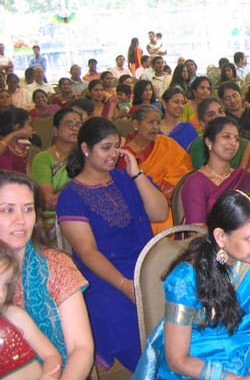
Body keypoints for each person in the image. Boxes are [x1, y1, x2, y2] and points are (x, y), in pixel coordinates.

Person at [134, 190, 250, 379]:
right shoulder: (184, 279)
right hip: (198, 366)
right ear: (221, 236)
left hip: (248, 352)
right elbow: (177, 361)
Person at [57, 117, 168, 372]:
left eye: (117, 147)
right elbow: (87, 251)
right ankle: (152, 370)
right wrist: (124, 285)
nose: (113, 154)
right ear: (85, 148)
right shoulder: (71, 196)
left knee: (183, 301)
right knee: (120, 315)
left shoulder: (124, 179)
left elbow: (160, 212)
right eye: (106, 148)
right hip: (103, 275)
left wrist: (136, 173)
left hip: (145, 263)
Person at [1, 170, 94, 377]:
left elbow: (81, 348)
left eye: (28, 209)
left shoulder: (56, 266)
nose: (21, 220)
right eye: (8, 210)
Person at [120, 105, 193, 233]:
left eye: (158, 123)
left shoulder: (167, 144)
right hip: (134, 209)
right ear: (136, 124)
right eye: (150, 122)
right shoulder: (123, 154)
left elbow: (183, 172)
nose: (155, 127)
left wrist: (163, 195)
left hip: (166, 205)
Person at [0, 239, 63, 380]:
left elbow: (51, 356)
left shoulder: (13, 315)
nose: (2, 294)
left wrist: (49, 376)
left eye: (5, 284)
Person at [182, 117, 250, 226]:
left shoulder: (244, 177)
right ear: (209, 142)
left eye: (237, 139)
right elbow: (195, 230)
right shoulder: (195, 182)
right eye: (226, 136)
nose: (233, 143)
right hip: (210, 236)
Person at [30, 108, 82, 243]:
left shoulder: (86, 157)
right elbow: (49, 201)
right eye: (69, 124)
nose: (74, 128)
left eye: (78, 125)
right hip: (54, 219)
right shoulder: (43, 158)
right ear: (55, 129)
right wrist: (80, 185)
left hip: (85, 215)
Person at [187, 98, 250, 175]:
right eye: (211, 115)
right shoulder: (199, 145)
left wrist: (238, 179)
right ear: (202, 122)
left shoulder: (240, 143)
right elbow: (205, 176)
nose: (218, 116)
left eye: (220, 111)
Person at [0, 107, 33, 174]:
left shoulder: (21, 146)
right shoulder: (4, 145)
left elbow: (27, 171)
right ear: (17, 126)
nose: (31, 128)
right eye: (28, 124)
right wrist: (13, 134)